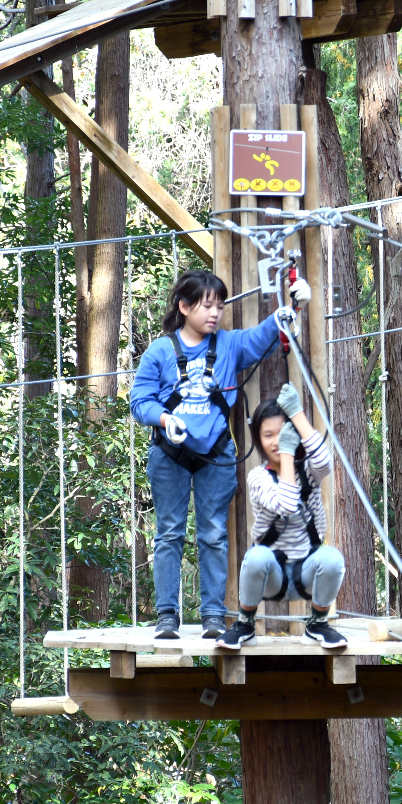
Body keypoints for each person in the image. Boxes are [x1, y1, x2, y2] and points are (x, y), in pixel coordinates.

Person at [130, 270, 282, 640]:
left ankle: (213, 615)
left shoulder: (229, 346)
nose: (215, 313)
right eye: (206, 305)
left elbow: (261, 337)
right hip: (170, 455)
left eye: (219, 305)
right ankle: (167, 615)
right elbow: (139, 401)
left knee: (213, 534)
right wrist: (164, 419)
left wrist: (283, 313)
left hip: (216, 453)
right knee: (168, 534)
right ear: (184, 307)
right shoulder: (161, 351)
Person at [217, 384, 348, 650]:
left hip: (307, 571)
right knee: (256, 556)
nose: (276, 441)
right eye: (268, 435)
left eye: (282, 433)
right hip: (270, 574)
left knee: (333, 558)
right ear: (259, 439)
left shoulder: (308, 470)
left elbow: (324, 462)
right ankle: (245, 623)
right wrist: (288, 453)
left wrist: (297, 415)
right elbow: (287, 505)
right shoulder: (258, 478)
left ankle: (318, 624)